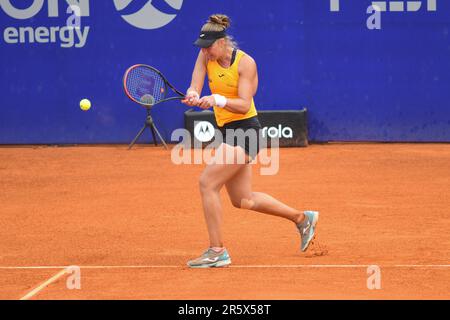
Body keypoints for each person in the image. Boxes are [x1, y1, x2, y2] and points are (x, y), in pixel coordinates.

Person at [182, 14, 319, 268]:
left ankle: (217, 251)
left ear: (222, 42)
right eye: (203, 46)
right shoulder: (205, 55)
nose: (206, 51)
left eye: (209, 46)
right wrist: (193, 94)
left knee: (207, 183)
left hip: (247, 132)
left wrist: (217, 100)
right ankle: (301, 218)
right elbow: (195, 84)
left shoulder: (246, 64)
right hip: (227, 131)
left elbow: (244, 104)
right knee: (243, 199)